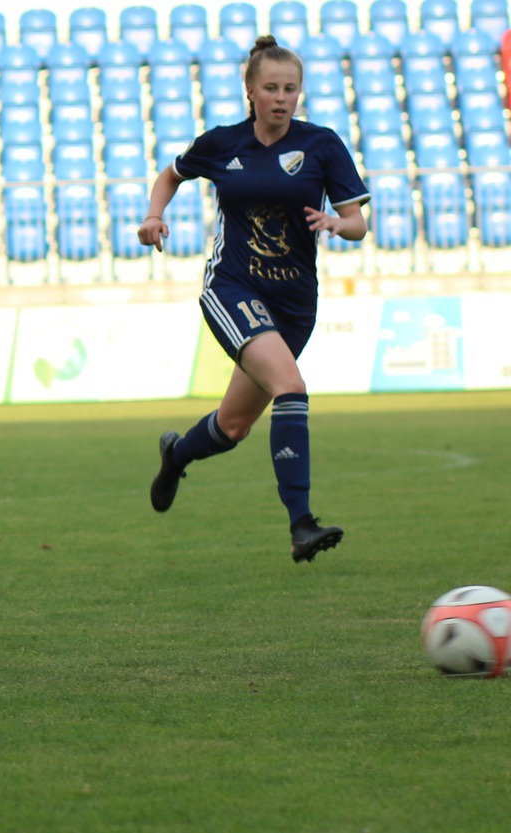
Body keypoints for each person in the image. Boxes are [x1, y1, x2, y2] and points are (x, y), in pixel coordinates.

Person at [137, 35, 369, 563]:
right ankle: (301, 525)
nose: (281, 98)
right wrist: (154, 215)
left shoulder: (322, 145)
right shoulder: (223, 144)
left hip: (294, 303)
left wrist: (339, 223)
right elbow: (171, 175)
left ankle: (176, 455)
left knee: (233, 426)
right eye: (271, 88)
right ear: (250, 90)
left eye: (290, 89)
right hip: (234, 286)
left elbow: (357, 221)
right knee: (291, 386)